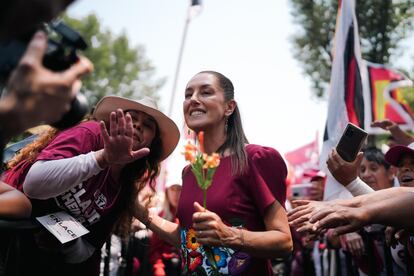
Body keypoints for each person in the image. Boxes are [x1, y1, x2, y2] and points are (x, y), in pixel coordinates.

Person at [135, 71, 292, 275]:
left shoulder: (256, 158)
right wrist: (139, 211)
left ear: (229, 107)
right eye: (188, 95)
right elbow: (189, 239)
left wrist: (228, 235)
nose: (193, 100)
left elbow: (284, 241)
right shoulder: (189, 172)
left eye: (206, 92)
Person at [1, 96, 180, 275]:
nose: (138, 125)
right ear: (112, 121)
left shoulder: (124, 188)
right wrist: (102, 159)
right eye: (131, 117)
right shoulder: (90, 133)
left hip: (32, 259)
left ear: (152, 142)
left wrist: (68, 243)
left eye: (148, 125)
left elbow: (86, 250)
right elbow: (33, 184)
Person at [149, 179, 182, 276]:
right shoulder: (161, 216)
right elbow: (154, 250)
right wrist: (159, 269)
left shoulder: (188, 216)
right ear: (167, 191)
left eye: (179, 189)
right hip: (166, 268)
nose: (176, 193)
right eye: (173, 189)